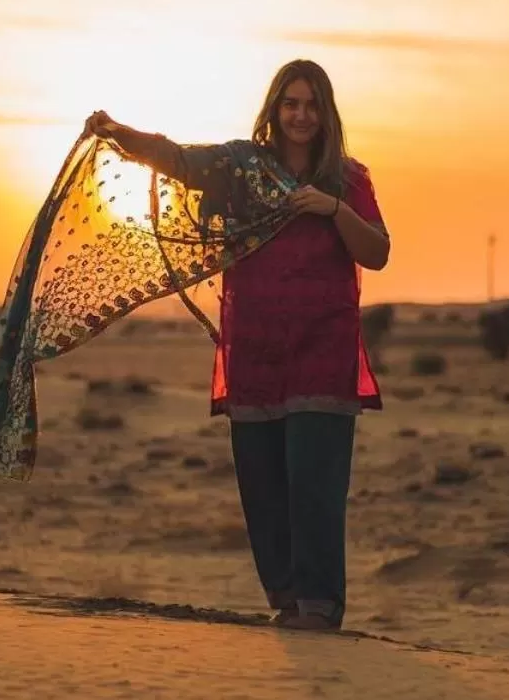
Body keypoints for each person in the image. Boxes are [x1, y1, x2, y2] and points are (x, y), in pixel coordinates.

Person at [85, 58, 390, 631]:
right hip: (254, 352)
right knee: (263, 488)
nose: (300, 115)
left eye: (311, 104)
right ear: (274, 109)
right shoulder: (239, 168)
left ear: (326, 113)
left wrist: (334, 210)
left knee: (315, 487)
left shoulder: (347, 179)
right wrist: (122, 134)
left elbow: (376, 252)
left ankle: (322, 609)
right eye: (290, 103)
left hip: (322, 351)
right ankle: (289, 603)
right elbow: (178, 159)